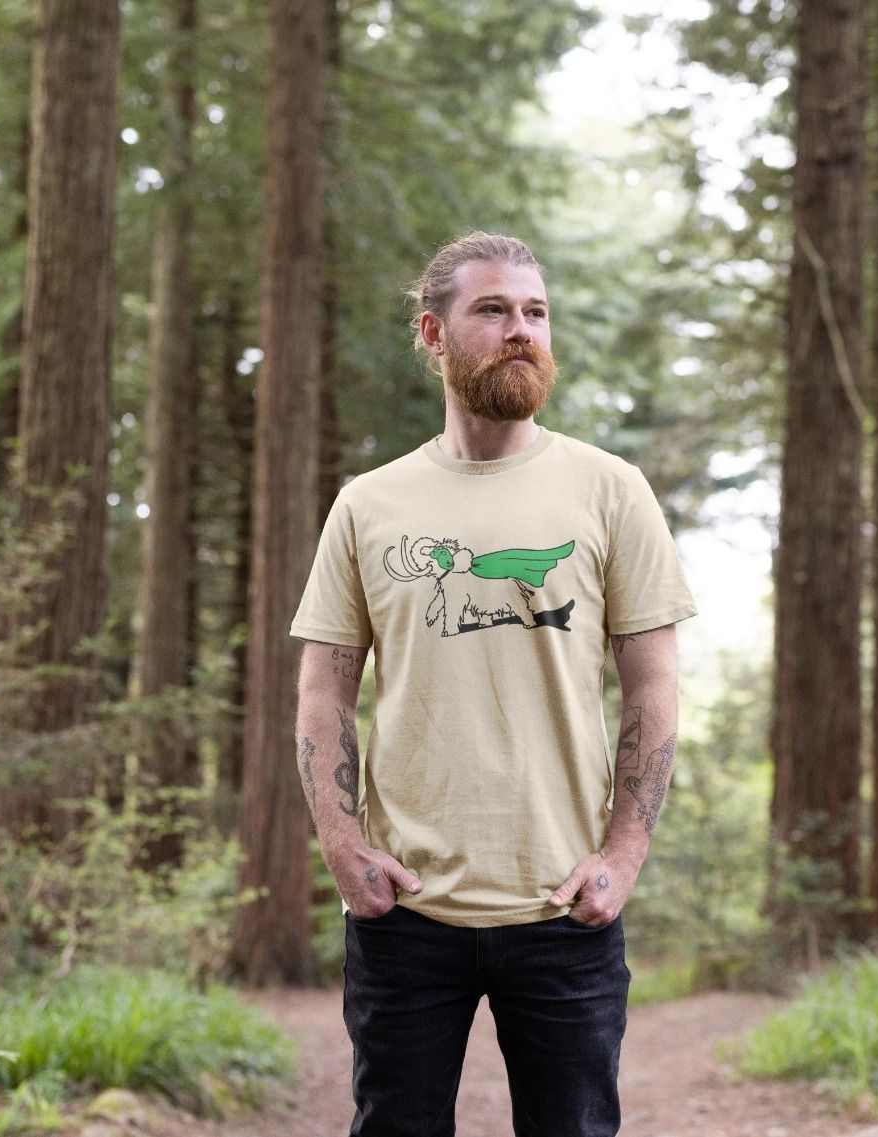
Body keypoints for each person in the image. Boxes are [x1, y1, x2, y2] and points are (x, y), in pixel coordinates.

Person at [290, 231, 697, 1137]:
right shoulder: (369, 502)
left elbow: (655, 683)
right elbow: (324, 688)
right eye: (494, 310)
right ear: (433, 334)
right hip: (406, 906)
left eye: (536, 313)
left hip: (566, 906)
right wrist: (341, 840)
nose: (522, 330)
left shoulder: (610, 490)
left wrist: (624, 854)